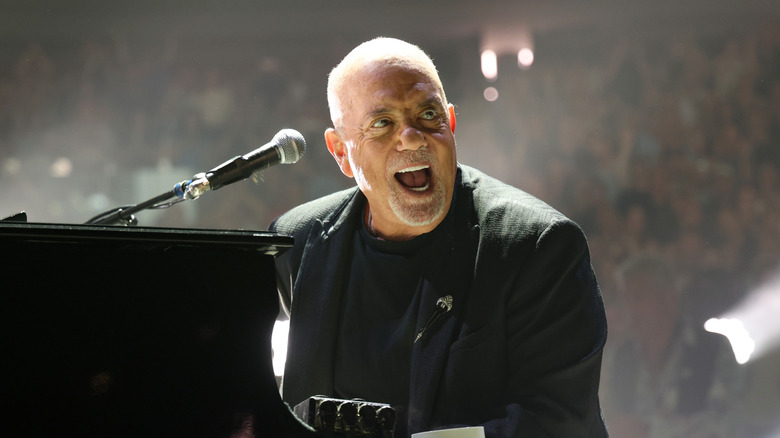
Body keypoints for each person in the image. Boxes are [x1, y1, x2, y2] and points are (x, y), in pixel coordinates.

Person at [270, 37, 608, 437]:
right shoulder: (297, 241)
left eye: (428, 114)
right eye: (383, 123)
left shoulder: (538, 246)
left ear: (450, 123)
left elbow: (557, 423)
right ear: (342, 153)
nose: (412, 137)